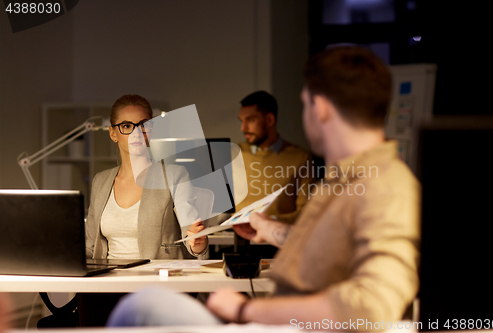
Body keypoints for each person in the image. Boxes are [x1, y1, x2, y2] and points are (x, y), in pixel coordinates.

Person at [106, 46, 420, 331]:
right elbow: (332, 247)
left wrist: (245, 309)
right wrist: (269, 230)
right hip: (274, 318)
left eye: (305, 105)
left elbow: (373, 304)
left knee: (143, 306)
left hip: (281, 324)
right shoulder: (348, 178)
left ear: (321, 107)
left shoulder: (384, 184)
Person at [85, 94, 208, 259]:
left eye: (143, 125)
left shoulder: (174, 176)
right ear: (113, 134)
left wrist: (197, 243)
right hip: (108, 280)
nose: (136, 133)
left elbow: (191, 236)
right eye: (126, 126)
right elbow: (90, 247)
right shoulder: (100, 181)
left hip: (157, 278)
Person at [235, 91, 315, 224]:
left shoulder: (300, 158)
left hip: (279, 241)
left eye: (250, 120)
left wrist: (268, 222)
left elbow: (306, 213)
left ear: (269, 120)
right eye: (242, 121)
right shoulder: (234, 155)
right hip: (236, 242)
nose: (243, 128)